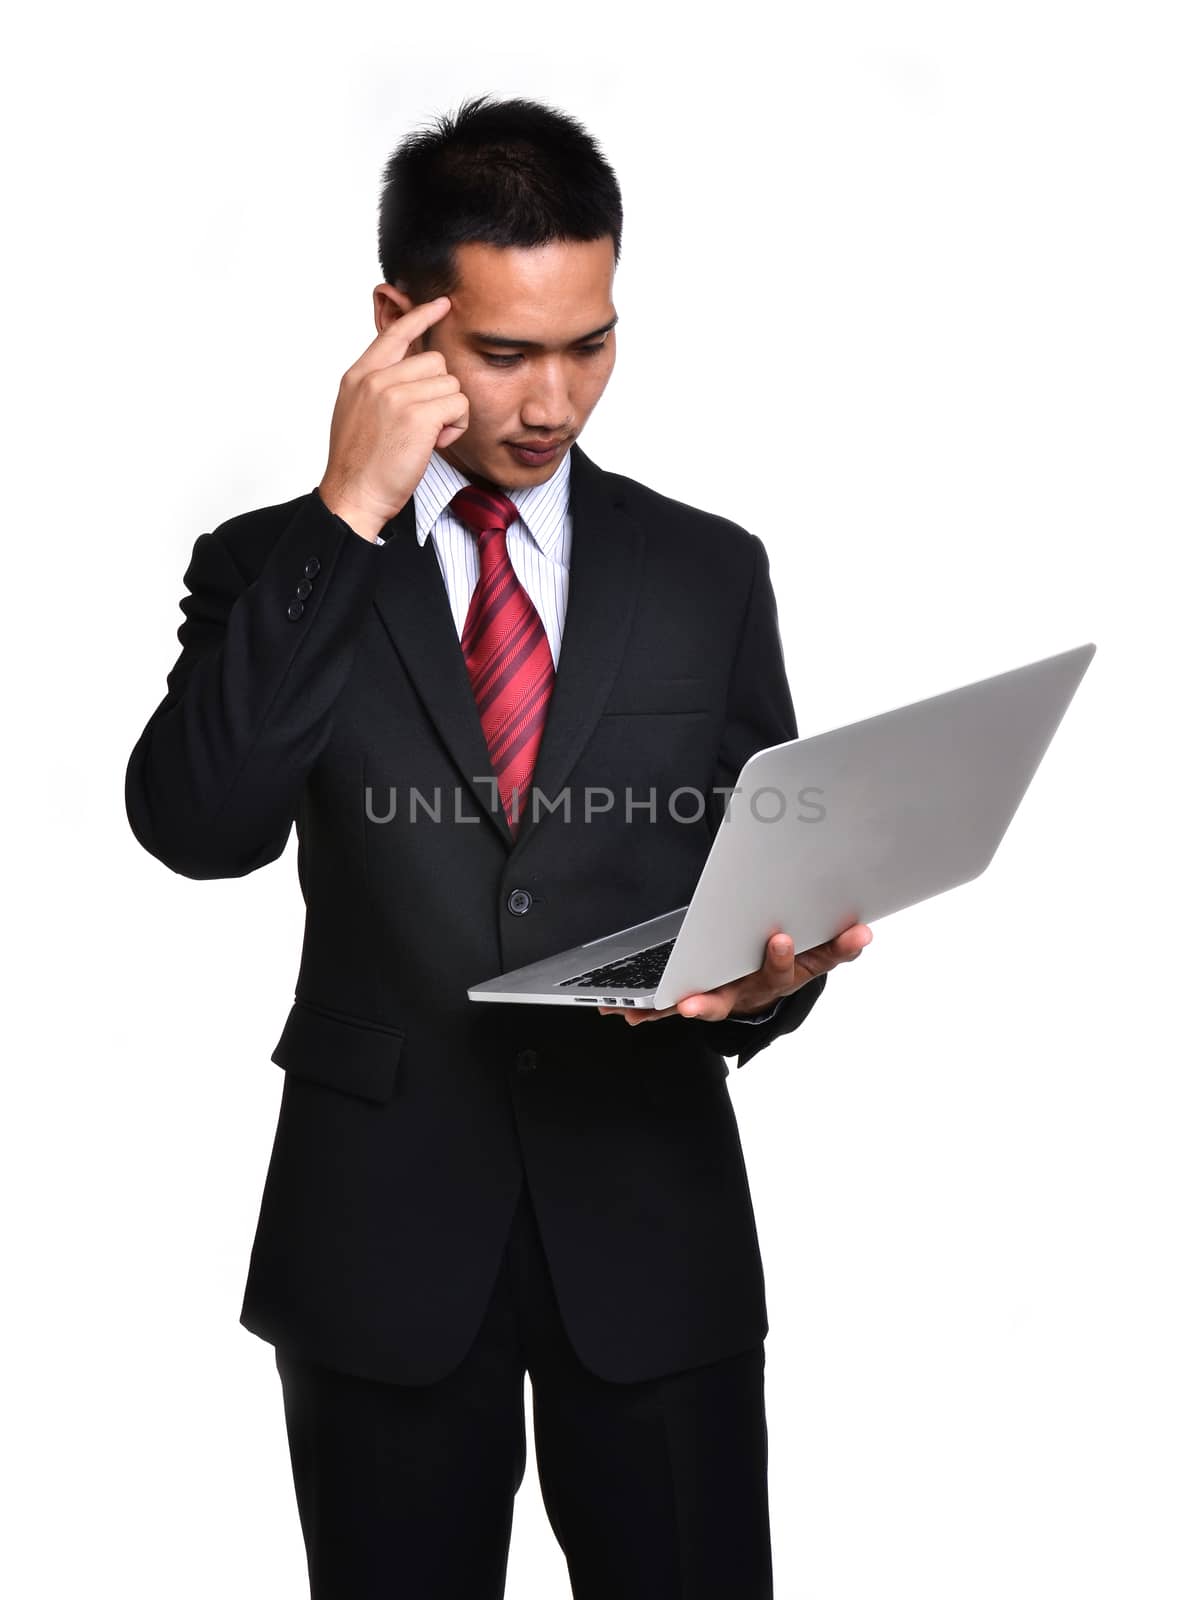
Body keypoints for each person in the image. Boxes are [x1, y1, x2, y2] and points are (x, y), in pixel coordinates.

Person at [124, 93, 871, 1600]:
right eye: (504, 351)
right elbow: (198, 827)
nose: (554, 401)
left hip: (652, 1223)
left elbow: (764, 875)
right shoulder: (277, 565)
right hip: (382, 1231)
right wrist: (350, 510)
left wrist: (772, 986)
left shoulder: (706, 569)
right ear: (400, 323)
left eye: (589, 344)